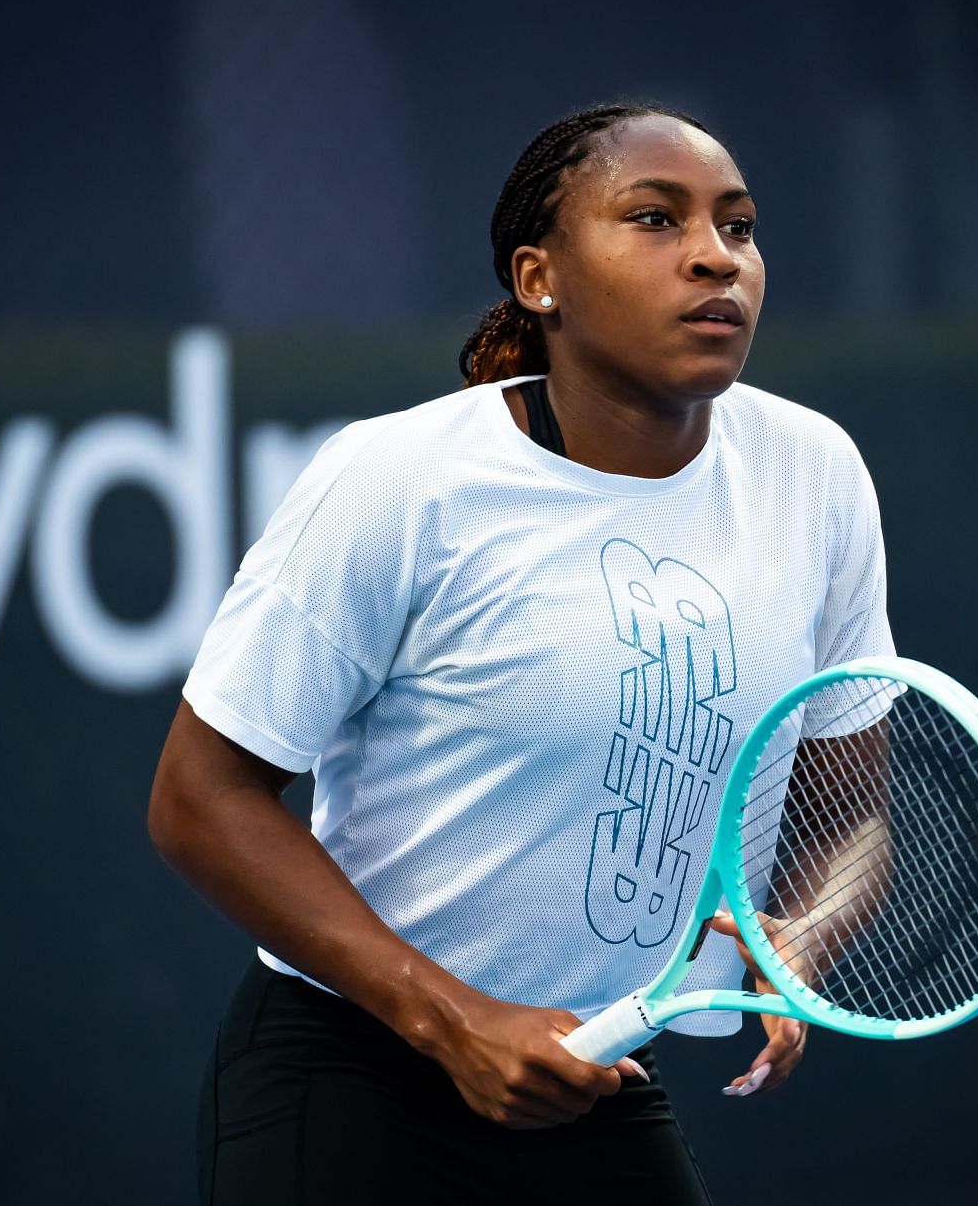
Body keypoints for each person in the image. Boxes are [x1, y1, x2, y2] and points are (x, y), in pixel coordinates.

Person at [149, 102, 894, 1205]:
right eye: (654, 219)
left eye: (739, 228)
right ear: (539, 279)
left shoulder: (816, 475)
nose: (713, 257)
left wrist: (806, 939)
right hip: (350, 1076)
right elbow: (201, 800)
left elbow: (851, 812)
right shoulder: (400, 482)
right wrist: (456, 1022)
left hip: (590, 1076)